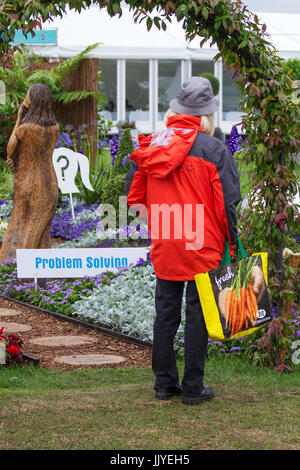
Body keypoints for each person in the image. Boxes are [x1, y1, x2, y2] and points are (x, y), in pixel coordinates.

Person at [127, 77, 241, 405]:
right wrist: (232, 244)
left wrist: (161, 224)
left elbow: (134, 199)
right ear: (206, 116)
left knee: (165, 314)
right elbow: (228, 203)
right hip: (202, 246)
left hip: (167, 242)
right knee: (197, 315)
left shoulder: (153, 145)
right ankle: (193, 388)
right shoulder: (213, 149)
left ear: (175, 110)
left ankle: (164, 384)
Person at [0, 84, 59, 263]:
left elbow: (10, 150)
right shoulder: (55, 128)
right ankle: (37, 274)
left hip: (27, 183)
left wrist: (19, 117)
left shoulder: (25, 128)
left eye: (27, 95)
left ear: (33, 100)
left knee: (25, 231)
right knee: (39, 233)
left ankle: (21, 273)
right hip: (48, 185)